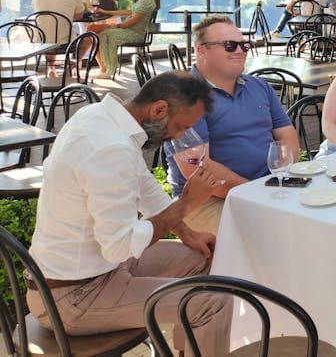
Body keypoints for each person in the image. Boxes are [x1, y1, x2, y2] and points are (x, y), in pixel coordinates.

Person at [28, 72, 231, 354]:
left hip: (96, 272)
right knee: (214, 301)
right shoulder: (111, 147)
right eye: (181, 126)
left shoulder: (99, 117)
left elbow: (144, 186)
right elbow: (119, 246)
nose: (179, 137)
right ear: (159, 109)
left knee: (202, 256)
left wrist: (187, 233)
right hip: (72, 297)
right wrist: (186, 203)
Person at [165, 16, 298, 234]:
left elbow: (287, 137)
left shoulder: (259, 86)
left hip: (266, 187)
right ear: (202, 51)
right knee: (271, 234)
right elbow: (198, 170)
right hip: (204, 201)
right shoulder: (184, 96)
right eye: (229, 45)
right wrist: (255, 193)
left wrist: (280, 177)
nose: (240, 50)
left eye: (244, 45)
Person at [88, 0, 159, 78]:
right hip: (131, 30)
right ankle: (106, 68)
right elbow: (130, 12)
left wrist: (115, 26)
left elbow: (133, 21)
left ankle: (109, 69)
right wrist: (107, 12)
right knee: (100, 33)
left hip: (136, 34)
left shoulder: (147, 1)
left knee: (105, 34)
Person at [31, 0, 85, 77]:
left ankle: (51, 69)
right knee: (89, 38)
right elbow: (79, 16)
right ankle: (71, 67)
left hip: (41, 42)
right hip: (65, 44)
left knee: (49, 32)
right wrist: (65, 15)